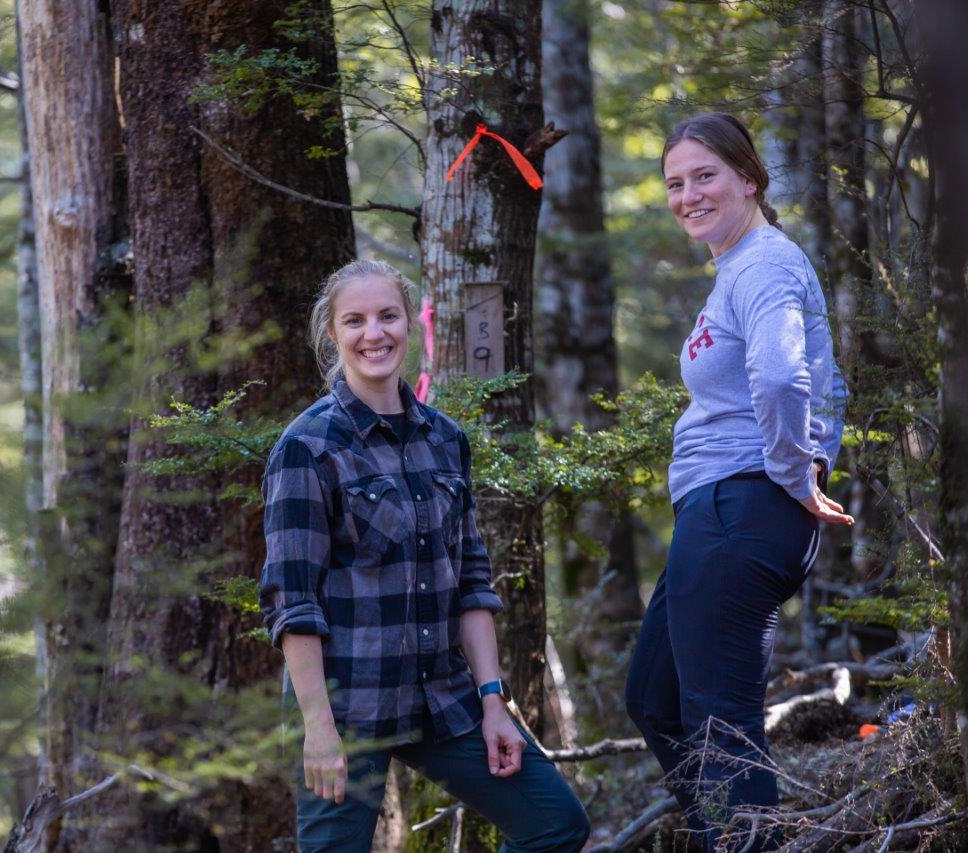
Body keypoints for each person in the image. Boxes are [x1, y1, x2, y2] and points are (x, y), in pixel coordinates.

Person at [259, 259, 590, 852]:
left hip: (443, 698)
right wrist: (317, 729)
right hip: (346, 707)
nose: (374, 333)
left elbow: (471, 579)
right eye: (355, 320)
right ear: (332, 334)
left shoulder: (444, 438)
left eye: (388, 316)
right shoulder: (306, 447)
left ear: (411, 323)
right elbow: (292, 601)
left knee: (554, 822)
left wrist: (493, 703)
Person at [623, 112, 852, 851]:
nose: (687, 194)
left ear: (748, 178)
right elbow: (824, 381)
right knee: (655, 697)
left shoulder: (763, 263)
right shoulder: (741, 267)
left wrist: (795, 468)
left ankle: (751, 841)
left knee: (719, 725)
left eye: (705, 175)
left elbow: (786, 378)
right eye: (675, 182)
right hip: (721, 509)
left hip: (743, 503)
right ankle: (733, 840)